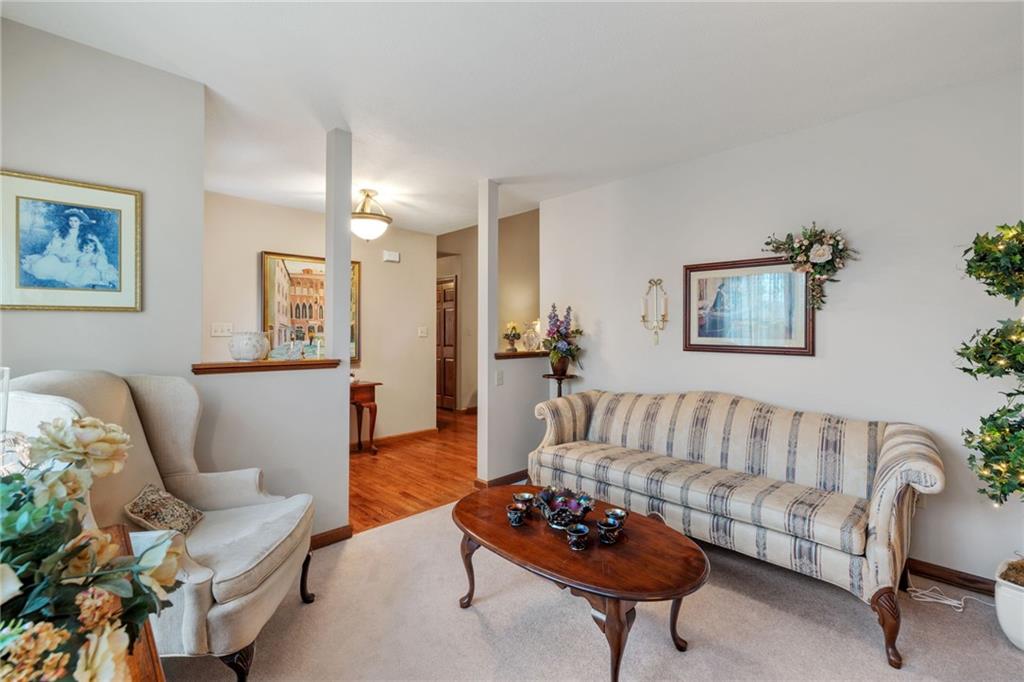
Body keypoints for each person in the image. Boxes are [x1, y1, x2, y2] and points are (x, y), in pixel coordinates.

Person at [20, 208, 91, 285]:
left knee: (70, 271)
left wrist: (77, 256)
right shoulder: (62, 232)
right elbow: (55, 246)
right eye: (70, 220)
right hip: (60, 253)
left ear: (80, 222)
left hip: (76, 254)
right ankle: (31, 263)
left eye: (75, 221)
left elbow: (87, 247)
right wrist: (60, 256)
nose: (72, 223)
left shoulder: (84, 234)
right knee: (41, 268)